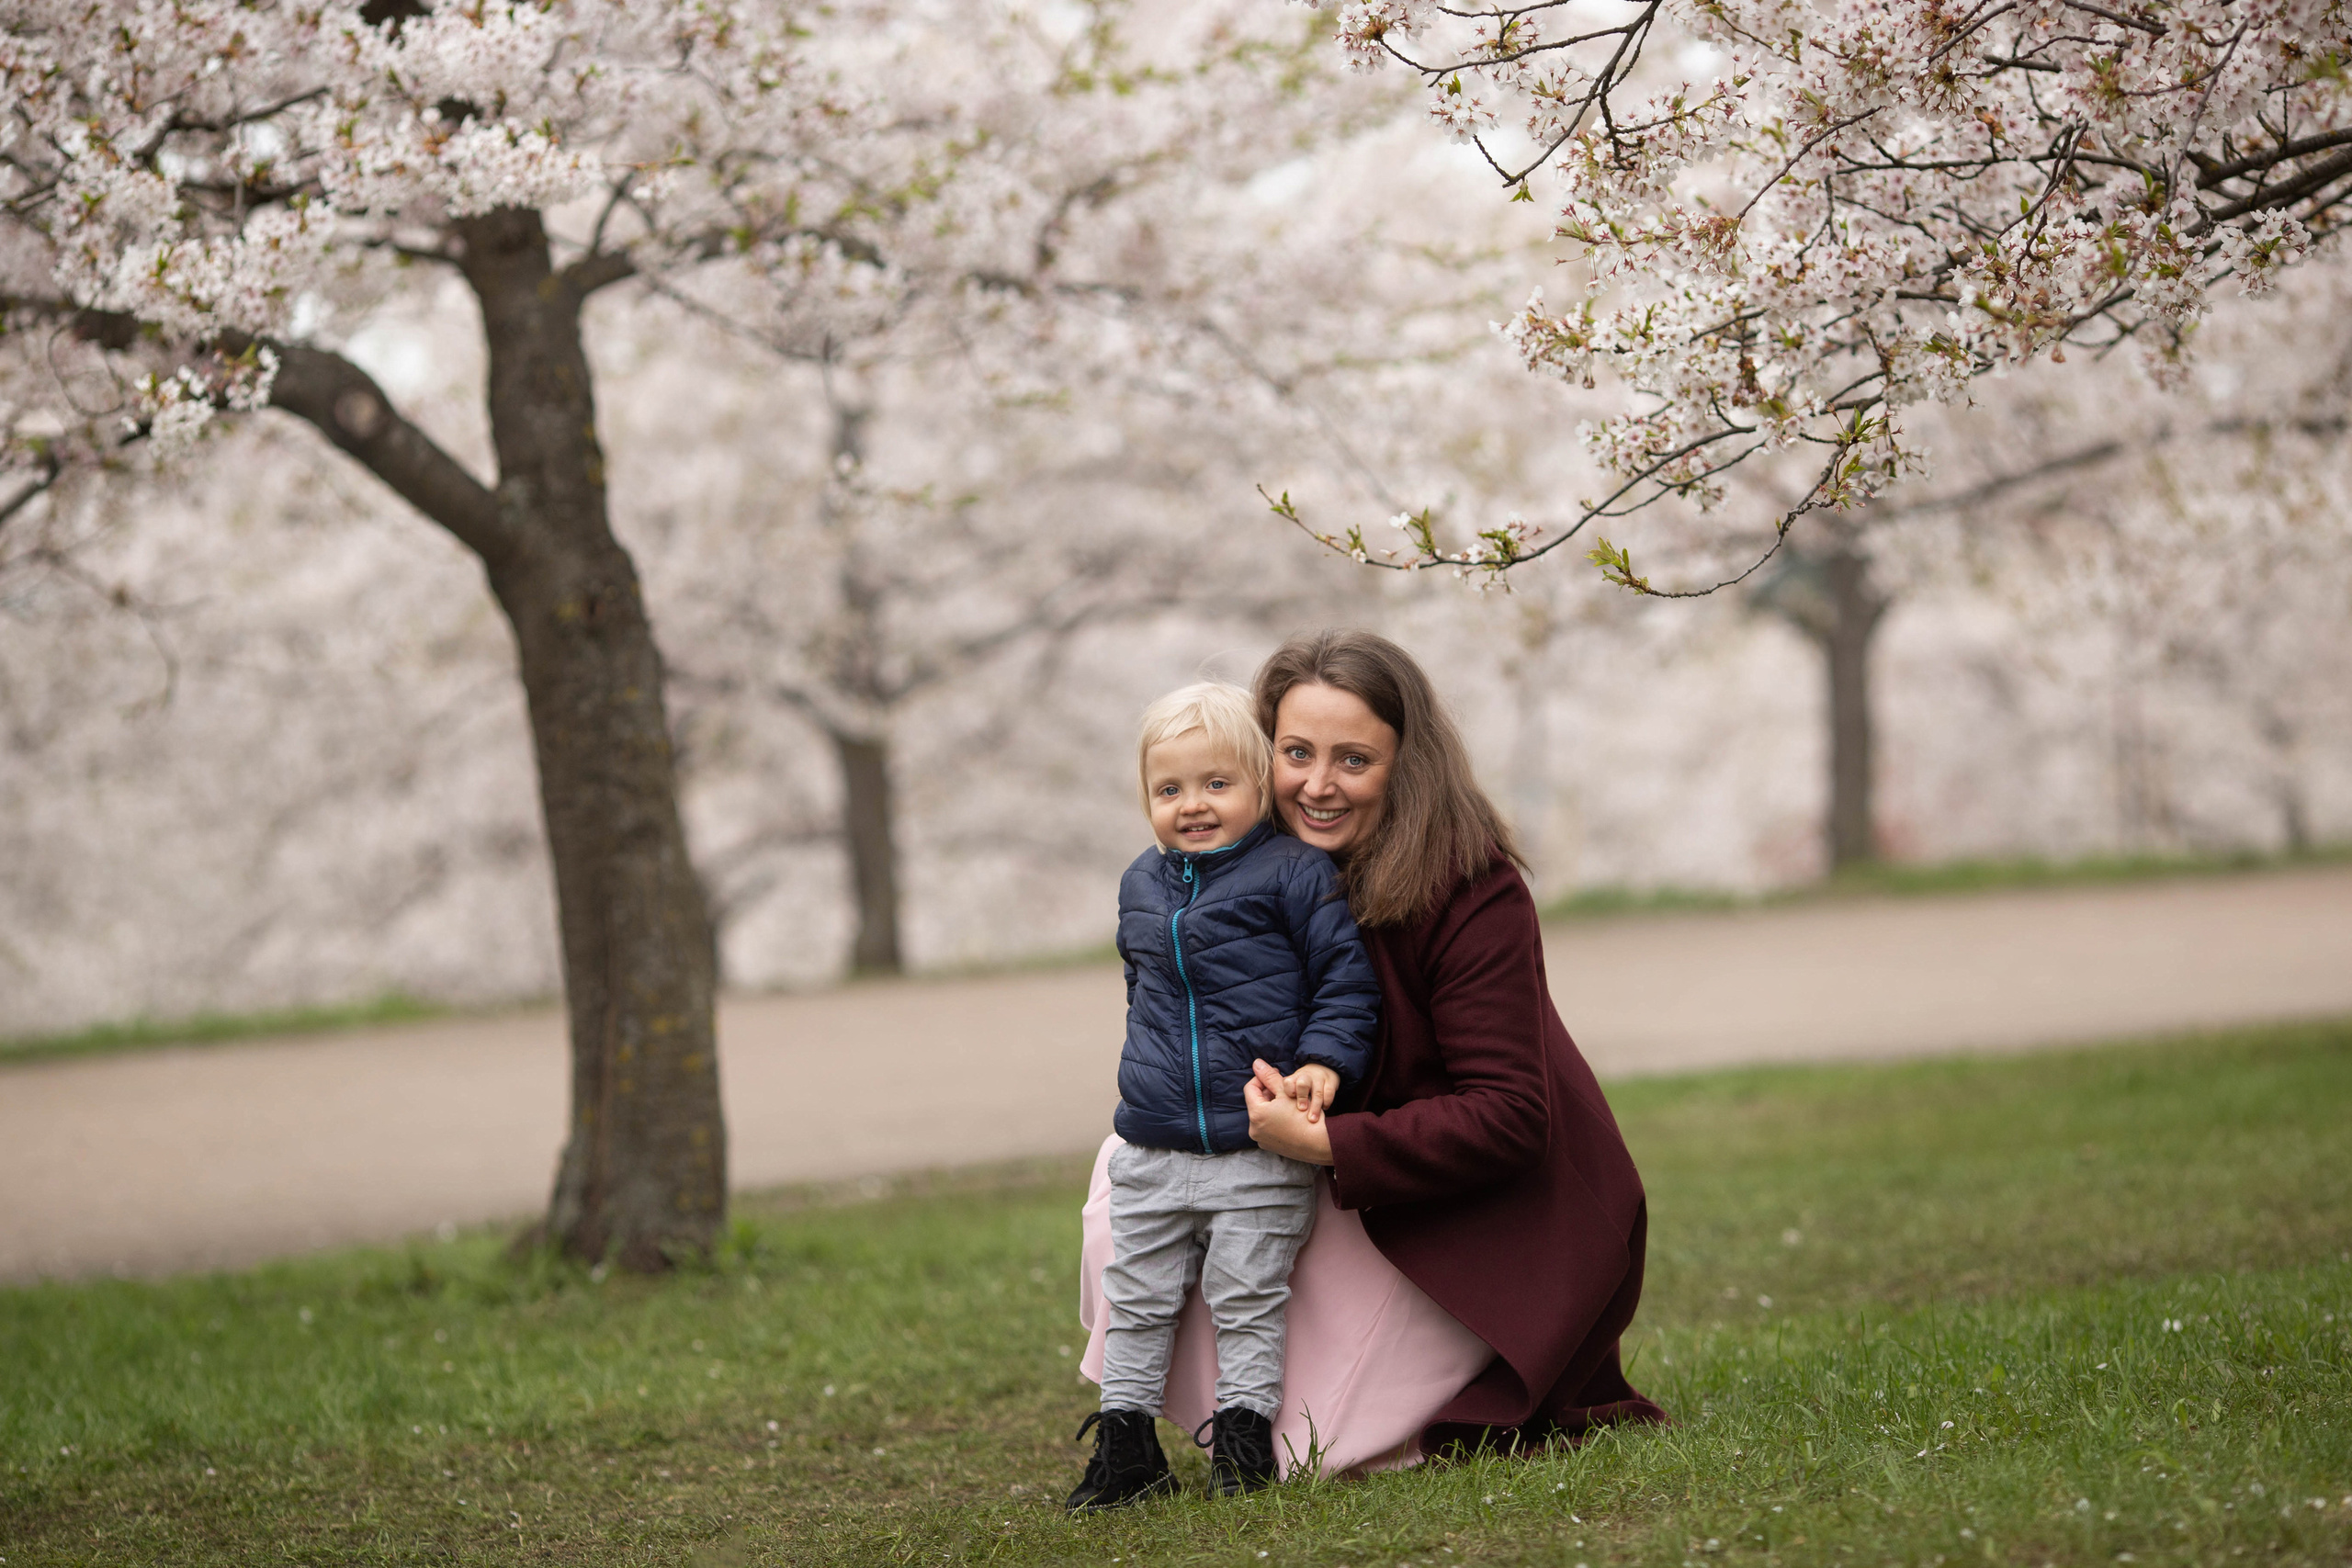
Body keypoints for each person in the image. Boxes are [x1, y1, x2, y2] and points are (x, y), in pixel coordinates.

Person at [1077, 631, 1665, 1476]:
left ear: (1404, 764)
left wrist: (1324, 1144)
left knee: (1319, 1444)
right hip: (1323, 1173)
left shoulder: (1471, 886)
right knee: (1126, 1173)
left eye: (1354, 759)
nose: (1318, 785)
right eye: (1296, 753)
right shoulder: (1244, 873)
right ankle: (1156, 1426)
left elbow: (1510, 1115)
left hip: (1470, 1205)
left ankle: (1290, 1418)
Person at [1067, 680, 1382, 1512]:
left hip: (1257, 1142)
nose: (1193, 805)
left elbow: (1345, 981)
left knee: (1247, 1300)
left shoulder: (1295, 873)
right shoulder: (1142, 884)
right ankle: (1125, 1450)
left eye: (1216, 784)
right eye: (1169, 789)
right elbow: (1146, 995)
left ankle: (1243, 1448)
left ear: (1256, 786)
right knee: (1133, 1300)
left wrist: (1322, 1062)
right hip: (1157, 1141)